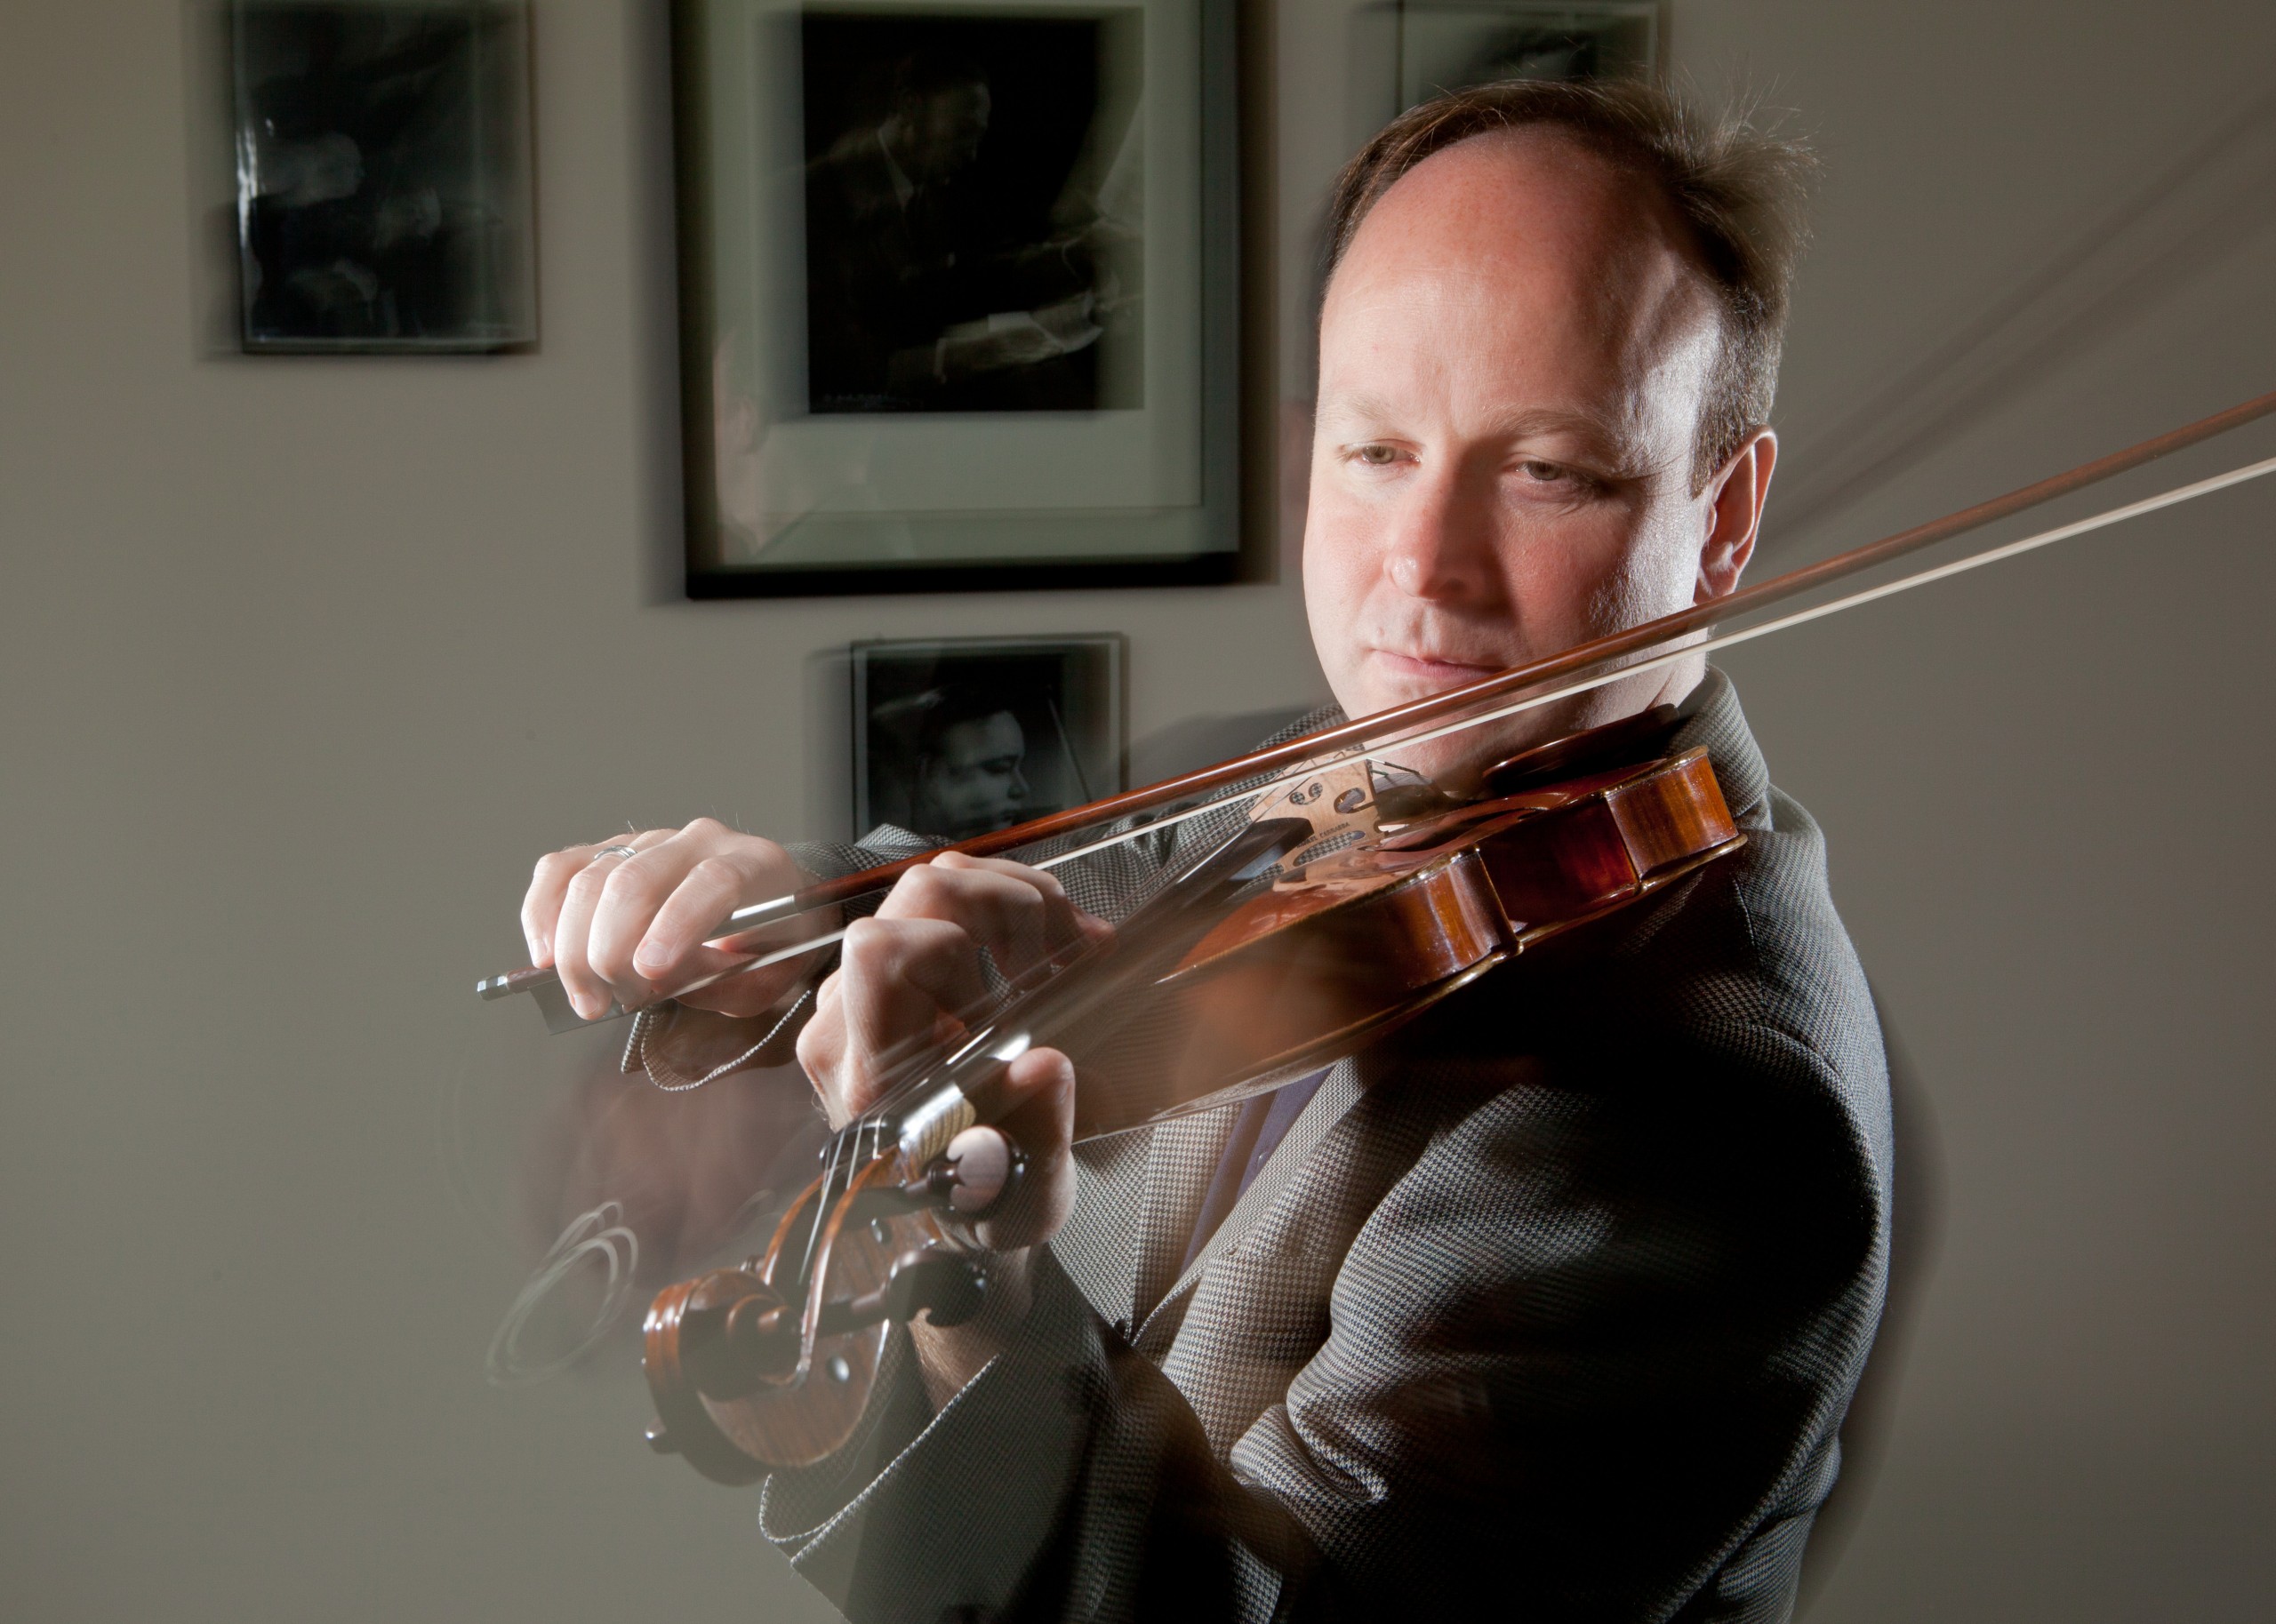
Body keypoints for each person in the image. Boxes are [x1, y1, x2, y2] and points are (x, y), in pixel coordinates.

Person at [520, 79, 1889, 1621]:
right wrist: (785, 926)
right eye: (1377, 451)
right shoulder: (1345, 780)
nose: (1424, 571)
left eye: (1549, 472)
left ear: (1724, 517)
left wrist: (988, 1304)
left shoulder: (1703, 1112)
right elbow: (1057, 900)